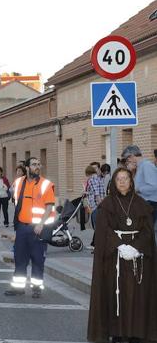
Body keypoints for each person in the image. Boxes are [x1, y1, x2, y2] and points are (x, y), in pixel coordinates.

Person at [87, 167, 157, 343]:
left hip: (137, 259)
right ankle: (117, 332)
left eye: (126, 178)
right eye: (119, 179)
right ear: (114, 182)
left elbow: (148, 231)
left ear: (131, 181)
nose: (123, 182)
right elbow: (103, 231)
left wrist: (135, 247)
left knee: (137, 296)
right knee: (116, 295)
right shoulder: (107, 205)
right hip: (115, 259)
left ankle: (137, 332)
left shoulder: (142, 204)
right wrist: (120, 246)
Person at [4, 156, 55, 299]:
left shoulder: (46, 184)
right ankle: (18, 288)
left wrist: (41, 224)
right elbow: (13, 198)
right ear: (27, 168)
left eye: (39, 164)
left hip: (37, 228)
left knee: (38, 260)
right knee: (20, 259)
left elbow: (49, 206)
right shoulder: (19, 182)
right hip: (21, 227)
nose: (37, 166)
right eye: (34, 164)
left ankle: (37, 288)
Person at [121, 145, 157, 243]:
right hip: (145, 204)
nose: (127, 162)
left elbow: (154, 186)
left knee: (146, 234)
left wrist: (138, 189)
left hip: (150, 203)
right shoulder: (140, 167)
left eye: (127, 159)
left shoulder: (146, 165)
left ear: (132, 156)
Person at [85, 165, 106, 250]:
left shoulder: (91, 179)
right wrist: (87, 192)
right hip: (100, 204)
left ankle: (99, 246)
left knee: (97, 227)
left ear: (88, 173)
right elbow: (96, 190)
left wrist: (100, 203)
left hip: (96, 206)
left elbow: (96, 193)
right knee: (99, 226)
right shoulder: (98, 178)